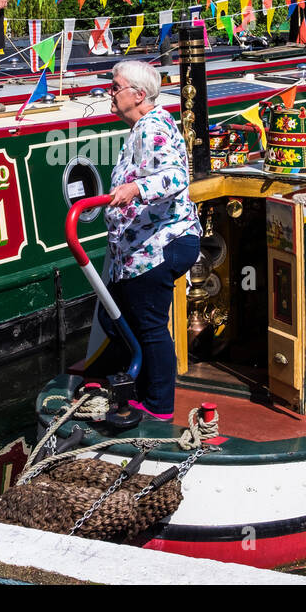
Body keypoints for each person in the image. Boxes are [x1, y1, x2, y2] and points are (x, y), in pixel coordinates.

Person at [102, 59, 202, 420]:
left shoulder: (151, 129)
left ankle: (159, 406)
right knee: (117, 317)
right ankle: (140, 388)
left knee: (148, 325)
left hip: (160, 244)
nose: (109, 93)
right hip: (141, 247)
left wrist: (136, 188)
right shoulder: (142, 128)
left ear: (139, 95)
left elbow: (176, 177)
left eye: (115, 87)